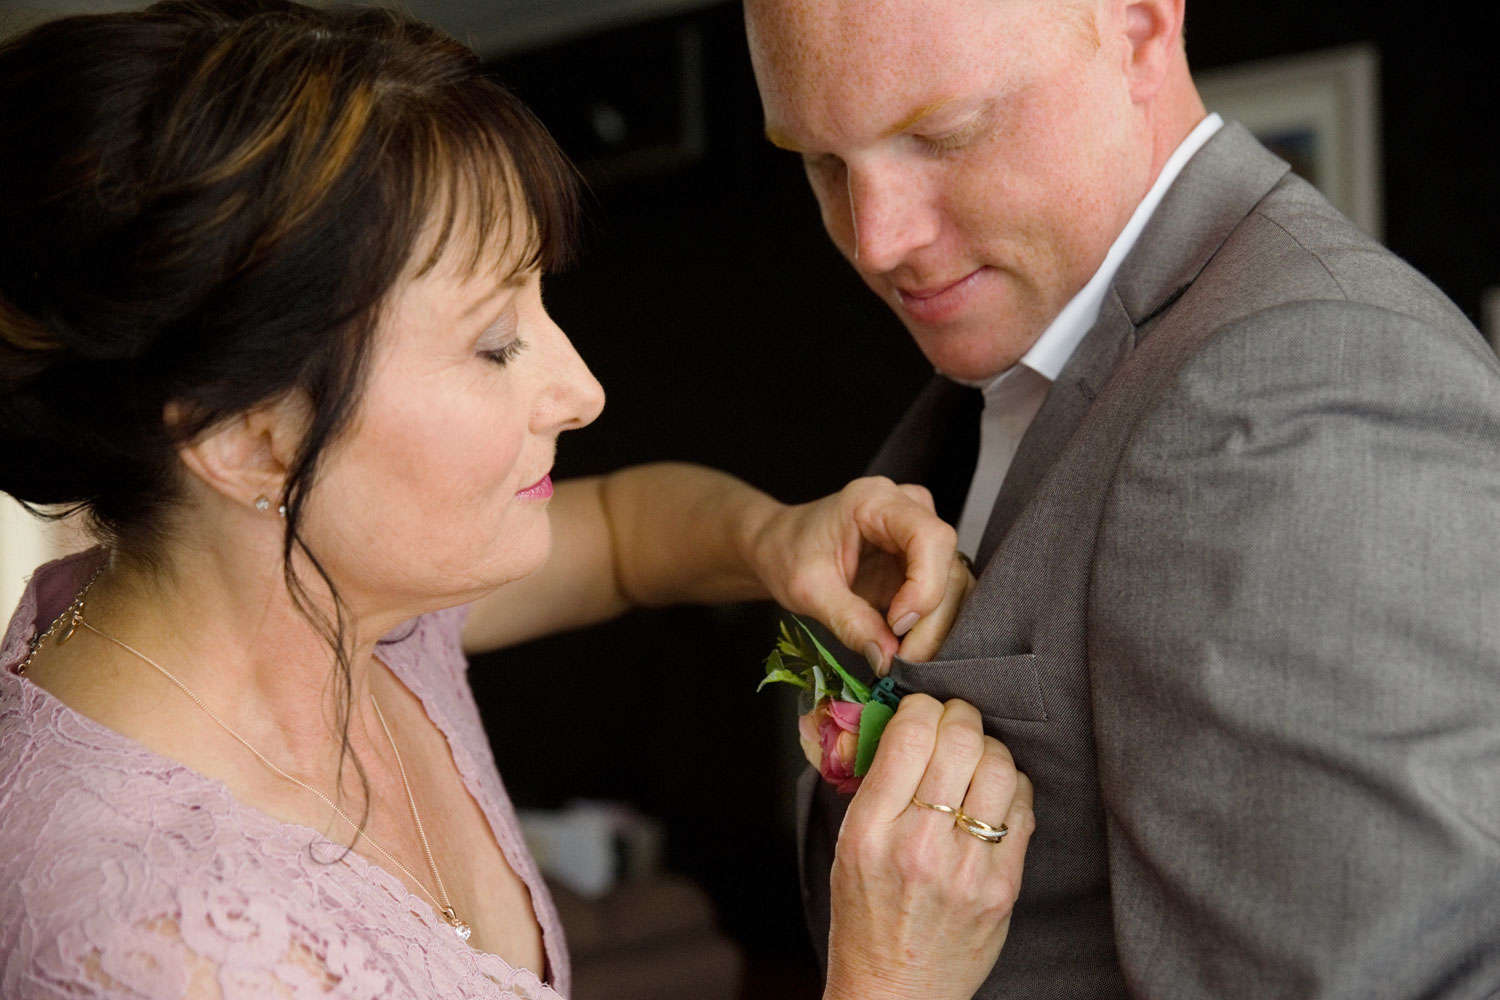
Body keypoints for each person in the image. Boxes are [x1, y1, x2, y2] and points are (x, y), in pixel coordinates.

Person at [0, 3, 1037, 998]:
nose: (582, 391)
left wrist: (773, 538)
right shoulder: (146, 946)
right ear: (245, 436)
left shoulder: (336, 601)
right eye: (494, 343)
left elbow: (628, 537)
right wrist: (892, 978)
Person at [743, 0, 1500, 996]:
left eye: (942, 135)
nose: (877, 239)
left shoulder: (1306, 382)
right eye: (821, 164)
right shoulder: (1007, 367)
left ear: (1141, 30)